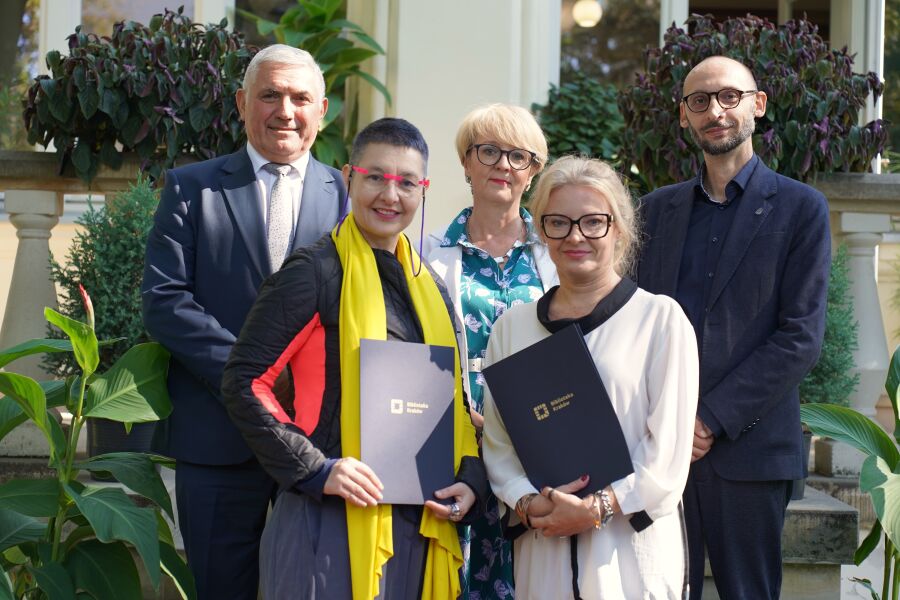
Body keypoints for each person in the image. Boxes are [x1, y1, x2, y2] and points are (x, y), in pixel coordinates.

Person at [220, 117, 487, 600]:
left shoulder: (432, 286)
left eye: (407, 182)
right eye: (375, 177)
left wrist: (470, 478)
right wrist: (318, 468)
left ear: (422, 191)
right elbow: (245, 382)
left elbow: (454, 400)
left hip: (416, 521)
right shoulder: (313, 273)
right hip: (324, 517)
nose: (391, 194)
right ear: (349, 177)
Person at [141, 44, 345, 599]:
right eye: (270, 95)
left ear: (321, 109)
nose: (285, 110)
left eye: (300, 97)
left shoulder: (345, 196)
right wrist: (253, 374)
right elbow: (165, 300)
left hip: (313, 443)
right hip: (216, 438)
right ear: (241, 103)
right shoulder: (191, 188)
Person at [635, 55, 831, 599]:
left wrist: (708, 421)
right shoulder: (654, 212)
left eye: (728, 97)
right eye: (699, 101)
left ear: (757, 105)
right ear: (683, 116)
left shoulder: (802, 209)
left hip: (749, 451)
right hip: (655, 449)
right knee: (662, 591)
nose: (715, 111)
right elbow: (632, 324)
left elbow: (800, 337)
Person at [482, 156, 699, 599]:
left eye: (593, 222)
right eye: (558, 222)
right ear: (540, 230)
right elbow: (500, 445)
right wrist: (527, 502)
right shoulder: (513, 327)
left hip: (629, 552)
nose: (575, 236)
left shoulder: (659, 320)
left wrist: (596, 509)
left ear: (618, 228)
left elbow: (667, 458)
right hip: (544, 548)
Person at [424, 103, 557, 598]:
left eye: (518, 156)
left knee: (528, 575)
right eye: (489, 152)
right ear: (466, 162)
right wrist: (465, 415)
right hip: (455, 442)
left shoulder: (554, 256)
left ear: (533, 172)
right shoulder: (428, 254)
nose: (503, 165)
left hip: (532, 446)